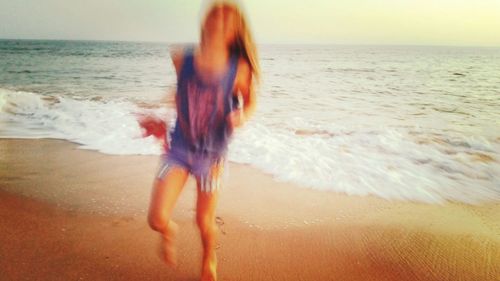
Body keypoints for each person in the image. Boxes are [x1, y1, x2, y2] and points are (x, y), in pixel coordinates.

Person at [146, 0, 259, 280]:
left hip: (212, 158)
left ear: (235, 31)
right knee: (156, 219)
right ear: (204, 23)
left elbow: (251, 101)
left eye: (226, 18)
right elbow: (179, 92)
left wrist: (242, 116)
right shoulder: (181, 58)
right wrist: (157, 115)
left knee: (203, 221)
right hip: (178, 150)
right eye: (214, 14)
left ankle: (209, 256)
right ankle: (169, 231)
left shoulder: (239, 69)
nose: (218, 19)